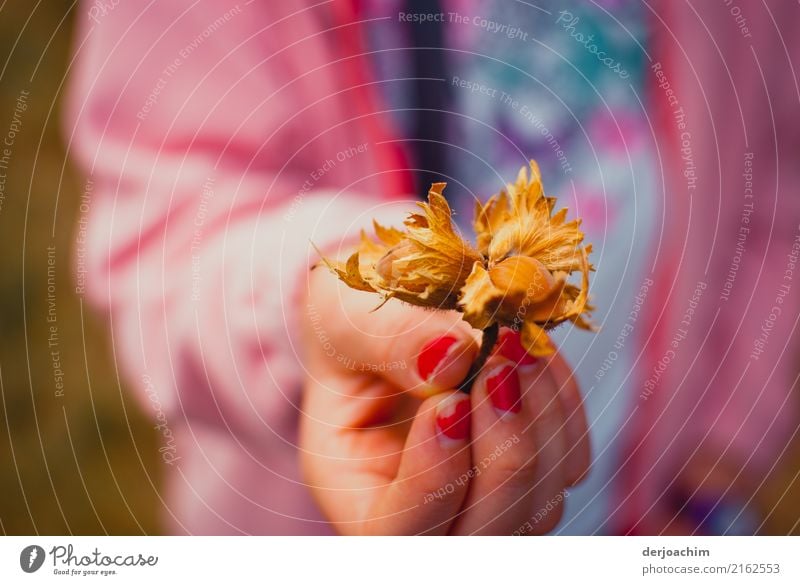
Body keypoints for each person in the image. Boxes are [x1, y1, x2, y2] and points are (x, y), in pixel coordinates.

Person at [65, 0, 799, 534]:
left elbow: (775, 194)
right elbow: (163, 239)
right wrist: (324, 297)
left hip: (646, 511)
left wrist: (721, 462)